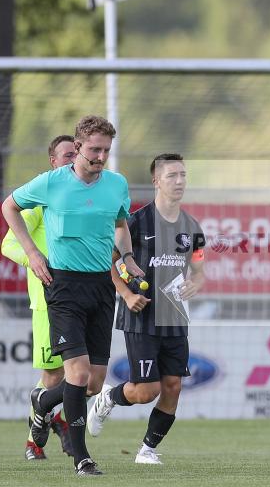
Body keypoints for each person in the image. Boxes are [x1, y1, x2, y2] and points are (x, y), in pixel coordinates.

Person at [1, 115, 144, 477]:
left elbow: (121, 224)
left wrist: (127, 258)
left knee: (94, 382)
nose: (100, 156)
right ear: (77, 148)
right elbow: (9, 207)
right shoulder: (51, 183)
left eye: (106, 150)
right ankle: (81, 457)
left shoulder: (116, 184)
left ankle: (44, 399)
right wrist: (33, 254)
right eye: (94, 149)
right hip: (63, 286)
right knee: (78, 374)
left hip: (101, 286)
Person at [86, 153, 205, 466]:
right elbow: (107, 261)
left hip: (176, 316)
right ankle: (109, 398)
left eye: (183, 175)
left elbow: (199, 267)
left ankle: (147, 450)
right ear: (156, 181)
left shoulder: (192, 226)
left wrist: (197, 282)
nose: (179, 181)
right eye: (171, 176)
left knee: (173, 385)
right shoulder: (136, 222)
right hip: (141, 316)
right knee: (146, 390)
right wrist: (125, 294)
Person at [1, 135, 76, 461]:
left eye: (77, 154)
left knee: (79, 373)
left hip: (81, 299)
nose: (72, 160)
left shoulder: (80, 200)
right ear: (53, 162)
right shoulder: (38, 202)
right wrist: (35, 257)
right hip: (48, 301)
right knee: (55, 375)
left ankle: (56, 419)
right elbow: (8, 244)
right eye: (66, 155)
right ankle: (37, 436)